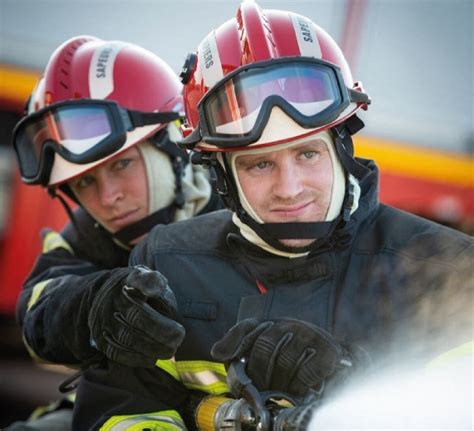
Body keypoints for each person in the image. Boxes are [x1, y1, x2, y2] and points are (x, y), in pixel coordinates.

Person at [73, 2, 473, 430]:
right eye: (259, 164)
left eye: (307, 153)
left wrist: (353, 379)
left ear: (342, 146)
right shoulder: (167, 265)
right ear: (222, 175)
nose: (290, 187)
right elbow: (119, 416)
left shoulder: (450, 272)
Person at [8, 35, 222, 430]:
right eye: (85, 183)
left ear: (172, 144)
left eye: (121, 165)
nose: (108, 198)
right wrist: (93, 307)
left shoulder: (240, 207)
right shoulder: (89, 235)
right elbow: (39, 307)